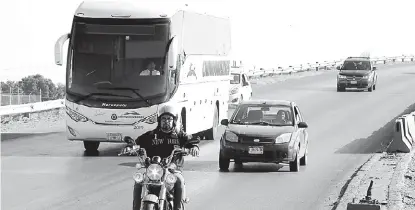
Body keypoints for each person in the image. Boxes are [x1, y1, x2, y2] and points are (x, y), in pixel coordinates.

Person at [121, 104, 200, 210]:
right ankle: (136, 208)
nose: (166, 121)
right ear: (159, 120)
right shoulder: (151, 135)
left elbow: (191, 141)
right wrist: (130, 146)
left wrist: (194, 147)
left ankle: (178, 207)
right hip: (154, 169)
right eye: (163, 118)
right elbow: (137, 143)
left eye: (169, 119)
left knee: (179, 180)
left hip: (172, 169)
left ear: (174, 121)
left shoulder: (180, 135)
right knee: (138, 181)